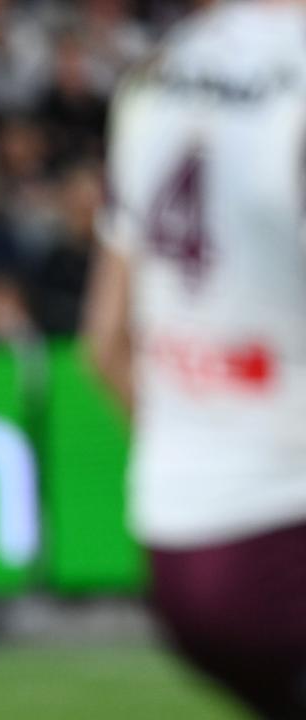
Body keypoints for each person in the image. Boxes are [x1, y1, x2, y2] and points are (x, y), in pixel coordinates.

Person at [85, 2, 306, 717]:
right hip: (285, 535)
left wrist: (203, 446)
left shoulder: (157, 76)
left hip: (179, 546)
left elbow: (106, 344)